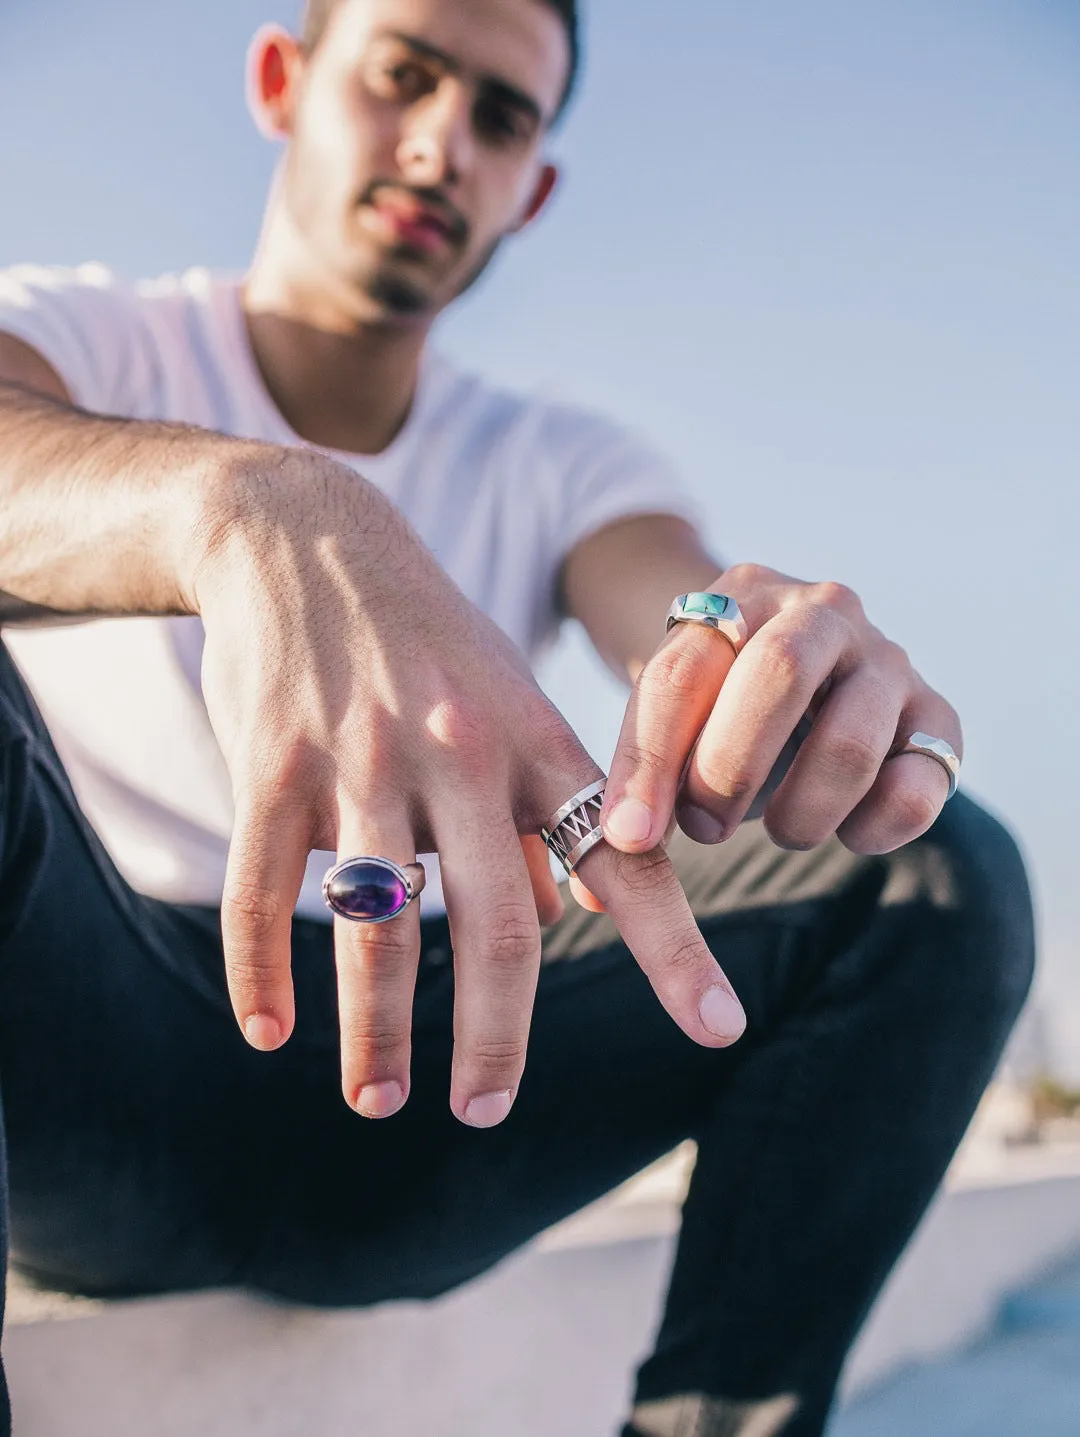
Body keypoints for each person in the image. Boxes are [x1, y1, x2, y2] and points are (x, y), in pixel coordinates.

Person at [0, 0, 1034, 1432]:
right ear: (283, 80)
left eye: (499, 116)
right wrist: (248, 507)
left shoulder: (556, 459)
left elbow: (667, 604)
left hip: (440, 1101)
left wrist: (767, 663)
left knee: (930, 871)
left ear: (532, 187)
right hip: (84, 1064)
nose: (440, 146)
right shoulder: (85, 334)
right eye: (403, 77)